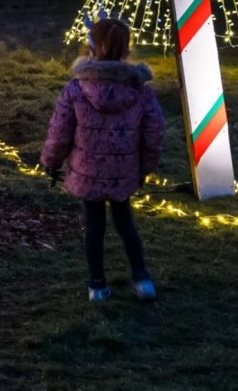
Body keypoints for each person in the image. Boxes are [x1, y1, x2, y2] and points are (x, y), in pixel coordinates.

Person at [41, 17, 165, 302]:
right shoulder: (140, 91)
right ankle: (142, 279)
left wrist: (51, 162)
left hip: (87, 172)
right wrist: (145, 167)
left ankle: (97, 286)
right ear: (126, 47)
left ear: (91, 46)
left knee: (94, 227)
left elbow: (60, 132)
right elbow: (154, 132)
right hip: (124, 172)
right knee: (125, 223)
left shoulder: (75, 89)